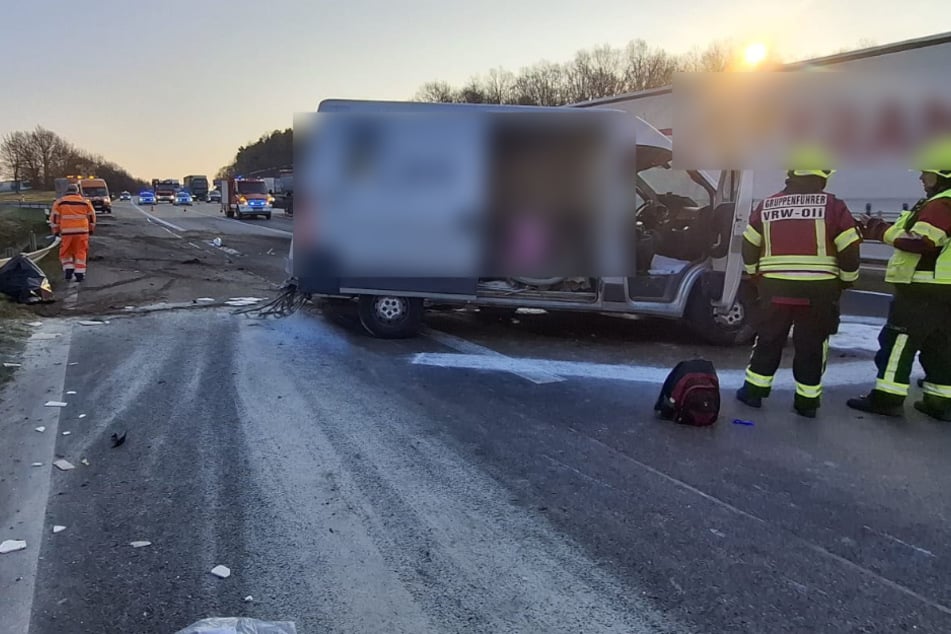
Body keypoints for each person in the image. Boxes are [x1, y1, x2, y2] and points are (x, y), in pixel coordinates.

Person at [736, 150, 862, 418]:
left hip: (774, 288)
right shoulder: (833, 206)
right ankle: (806, 403)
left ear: (791, 173)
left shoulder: (767, 205)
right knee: (812, 345)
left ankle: (753, 393)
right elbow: (849, 249)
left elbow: (748, 244)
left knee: (768, 339)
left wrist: (755, 275)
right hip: (818, 291)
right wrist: (847, 280)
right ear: (823, 176)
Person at [847, 137, 951, 420]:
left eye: (926, 172)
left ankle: (887, 397)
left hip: (924, 287)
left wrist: (882, 232)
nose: (921, 177)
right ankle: (941, 402)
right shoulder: (939, 203)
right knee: (940, 344)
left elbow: (921, 242)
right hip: (943, 289)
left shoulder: (941, 204)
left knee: (899, 340)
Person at [50, 183, 96, 282]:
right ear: (77, 191)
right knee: (81, 251)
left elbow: (54, 219)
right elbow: (92, 217)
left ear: (66, 191)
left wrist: (56, 231)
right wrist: (91, 229)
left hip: (66, 232)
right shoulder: (85, 202)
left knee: (65, 251)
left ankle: (68, 269)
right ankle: (79, 273)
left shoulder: (59, 202)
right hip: (82, 232)